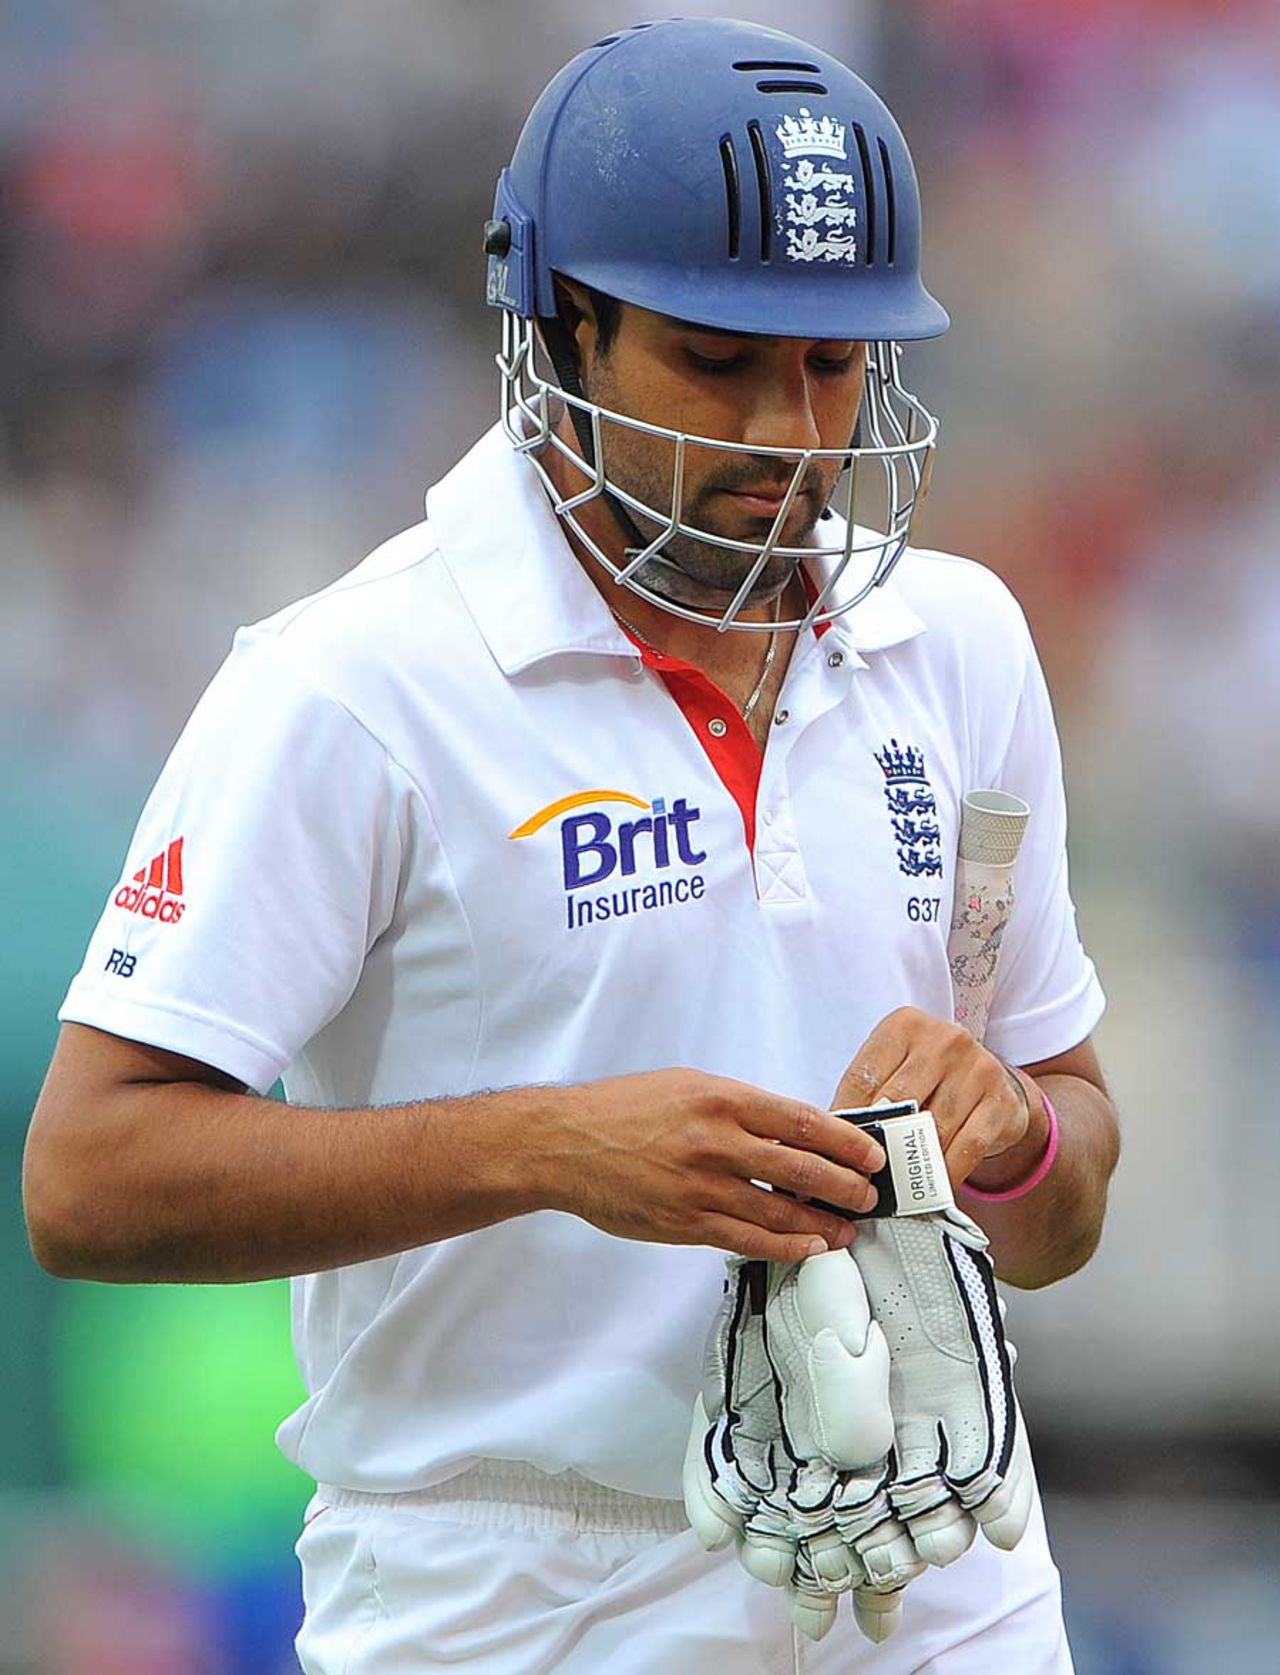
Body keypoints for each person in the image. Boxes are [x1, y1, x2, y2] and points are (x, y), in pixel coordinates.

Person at [24, 18, 1120, 1674]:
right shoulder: (356, 680)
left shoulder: (954, 639)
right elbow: (86, 1181)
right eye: (716, 359)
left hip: (939, 1554)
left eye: (831, 366)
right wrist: (549, 1149)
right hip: (513, 1597)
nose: (788, 435)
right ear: (564, 329)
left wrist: (1019, 1135)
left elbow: (1066, 1199)